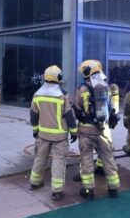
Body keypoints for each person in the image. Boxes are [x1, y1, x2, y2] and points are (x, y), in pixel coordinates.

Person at [29, 65, 77, 201]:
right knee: (58, 161)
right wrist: (74, 132)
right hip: (60, 136)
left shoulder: (37, 95)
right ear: (59, 78)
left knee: (40, 158)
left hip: (43, 135)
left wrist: (35, 130)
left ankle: (34, 182)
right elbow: (69, 116)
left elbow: (33, 116)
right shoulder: (62, 96)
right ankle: (56, 191)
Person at [73, 59, 120, 199]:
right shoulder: (106, 86)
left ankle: (88, 189)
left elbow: (77, 108)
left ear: (86, 72)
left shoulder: (82, 89)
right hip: (102, 129)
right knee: (108, 157)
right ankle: (113, 188)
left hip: (86, 131)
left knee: (86, 158)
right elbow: (111, 107)